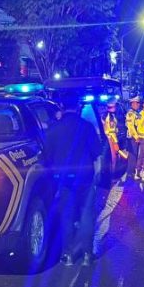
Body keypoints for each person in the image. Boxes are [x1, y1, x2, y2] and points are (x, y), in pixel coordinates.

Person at [43, 96, 102, 266]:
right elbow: (97, 155)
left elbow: (47, 157)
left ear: (62, 107)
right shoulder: (87, 126)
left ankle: (68, 255)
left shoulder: (54, 129)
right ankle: (87, 255)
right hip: (85, 177)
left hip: (64, 179)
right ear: (78, 107)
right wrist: (97, 176)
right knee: (86, 214)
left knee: (67, 215)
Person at [103, 100, 128, 173]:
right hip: (112, 139)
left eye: (114, 106)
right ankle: (114, 174)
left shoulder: (113, 115)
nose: (113, 108)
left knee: (116, 157)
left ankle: (115, 172)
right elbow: (111, 132)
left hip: (115, 138)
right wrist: (115, 143)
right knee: (114, 158)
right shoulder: (109, 117)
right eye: (111, 107)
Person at [125, 96, 141, 181]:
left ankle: (132, 171)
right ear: (132, 104)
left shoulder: (136, 113)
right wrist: (136, 137)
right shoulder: (130, 113)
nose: (138, 104)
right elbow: (131, 127)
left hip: (135, 137)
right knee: (132, 156)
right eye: (137, 103)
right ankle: (130, 173)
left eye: (138, 103)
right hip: (132, 138)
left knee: (135, 155)